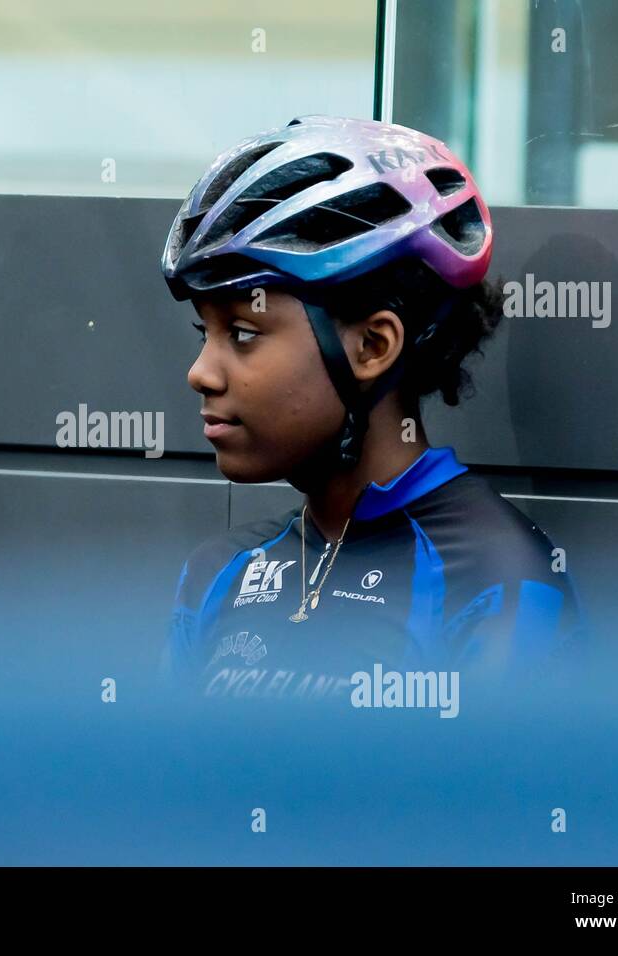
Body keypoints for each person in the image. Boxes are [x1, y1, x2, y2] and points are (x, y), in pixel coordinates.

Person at [160, 115, 583, 700]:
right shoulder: (218, 573)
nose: (200, 372)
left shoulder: (496, 579)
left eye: (243, 332)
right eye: (202, 332)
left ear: (373, 347)